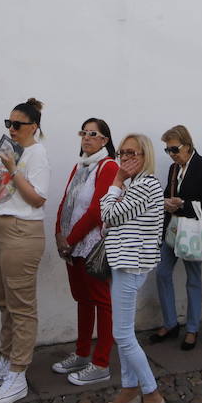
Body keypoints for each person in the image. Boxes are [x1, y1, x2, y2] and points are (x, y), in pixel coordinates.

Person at [0, 99, 49, 403]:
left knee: (21, 305)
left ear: (33, 127)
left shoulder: (37, 154)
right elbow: (9, 192)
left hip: (22, 231)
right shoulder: (13, 153)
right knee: (3, 299)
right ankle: (6, 360)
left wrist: (12, 170)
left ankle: (19, 372)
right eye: (8, 124)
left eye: (17, 125)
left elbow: (37, 199)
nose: (11, 129)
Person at [97, 134, 168, 403]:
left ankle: (152, 395)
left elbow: (109, 215)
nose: (124, 158)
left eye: (131, 153)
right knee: (124, 333)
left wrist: (115, 184)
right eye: (121, 153)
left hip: (131, 264)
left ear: (145, 154)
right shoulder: (135, 185)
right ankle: (129, 391)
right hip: (124, 262)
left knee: (123, 335)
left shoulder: (146, 185)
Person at [52, 118, 119, 386]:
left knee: (102, 302)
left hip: (90, 245)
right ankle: (81, 353)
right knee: (82, 299)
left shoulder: (108, 166)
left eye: (93, 134)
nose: (86, 137)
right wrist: (59, 233)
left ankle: (101, 362)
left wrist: (71, 238)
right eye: (83, 133)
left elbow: (97, 209)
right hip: (72, 245)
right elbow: (66, 200)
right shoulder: (80, 166)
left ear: (104, 140)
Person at [150, 126, 202, 350]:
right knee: (162, 273)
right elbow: (167, 196)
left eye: (174, 149)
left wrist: (183, 204)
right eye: (168, 149)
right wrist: (166, 203)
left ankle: (192, 328)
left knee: (193, 278)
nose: (171, 153)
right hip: (172, 229)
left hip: (192, 230)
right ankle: (170, 323)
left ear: (187, 146)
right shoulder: (173, 168)